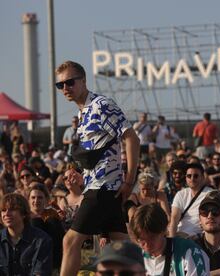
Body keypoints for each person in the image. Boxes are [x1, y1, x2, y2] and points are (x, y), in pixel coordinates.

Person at [55, 60, 140, 276]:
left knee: (69, 241)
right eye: (60, 85)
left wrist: (129, 180)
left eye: (70, 82)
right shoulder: (83, 112)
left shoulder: (101, 105)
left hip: (103, 188)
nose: (65, 88)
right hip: (100, 187)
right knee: (124, 250)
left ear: (83, 81)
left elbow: (131, 138)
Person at [129, 203, 210, 276]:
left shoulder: (190, 252)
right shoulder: (134, 256)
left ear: (164, 230)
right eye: (141, 239)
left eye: (152, 238)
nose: (146, 245)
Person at [0, 193, 53, 275]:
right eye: (3, 210)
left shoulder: (42, 240)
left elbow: (40, 272)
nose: (6, 214)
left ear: (23, 214)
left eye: (12, 209)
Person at [169, 162, 214, 237]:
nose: (192, 178)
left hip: (200, 235)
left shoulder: (210, 194)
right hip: (180, 232)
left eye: (196, 176)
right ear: (185, 178)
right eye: (189, 176)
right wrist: (171, 241)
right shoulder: (181, 194)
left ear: (202, 177)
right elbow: (174, 218)